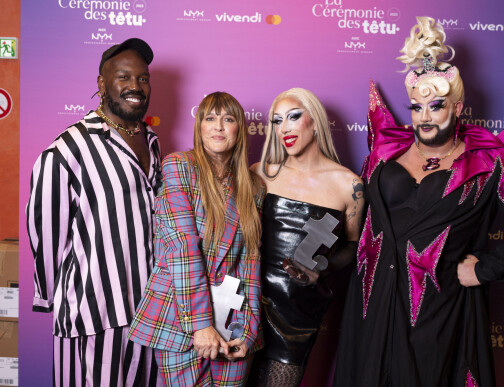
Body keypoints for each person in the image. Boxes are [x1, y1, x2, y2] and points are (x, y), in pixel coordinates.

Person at [333, 17, 504, 386]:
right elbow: (355, 213)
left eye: (435, 107)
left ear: (456, 109)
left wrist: (485, 269)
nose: (424, 118)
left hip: (439, 307)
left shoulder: (488, 162)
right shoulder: (384, 153)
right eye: (416, 108)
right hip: (372, 302)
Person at [26, 38, 163, 385]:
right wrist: (54, 298)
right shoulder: (66, 151)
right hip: (93, 318)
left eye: (143, 78)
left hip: (150, 315)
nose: (135, 85)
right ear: (102, 84)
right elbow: (46, 235)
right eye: (124, 77)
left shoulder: (152, 142)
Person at [128, 92, 265, 386]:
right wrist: (200, 325)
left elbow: (250, 263)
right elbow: (182, 247)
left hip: (232, 319)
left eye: (228, 119)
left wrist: (249, 331)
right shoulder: (179, 166)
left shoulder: (253, 187)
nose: (218, 127)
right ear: (199, 126)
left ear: (239, 129)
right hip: (180, 316)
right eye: (210, 118)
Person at [248, 88, 365, 386]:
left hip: (296, 313)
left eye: (293, 117)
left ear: (315, 122)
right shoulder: (259, 173)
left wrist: (321, 268)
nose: (284, 127)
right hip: (248, 301)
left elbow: (352, 246)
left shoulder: (349, 185)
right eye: (277, 121)